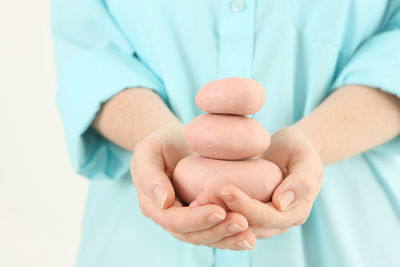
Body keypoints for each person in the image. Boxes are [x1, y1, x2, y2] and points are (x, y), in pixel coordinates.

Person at [52, 0, 400, 266]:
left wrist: (314, 142)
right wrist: (156, 133)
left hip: (348, 236)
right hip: (137, 246)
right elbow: (87, 46)